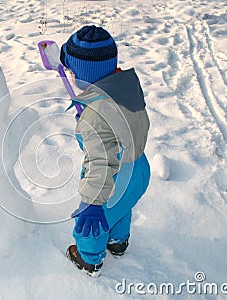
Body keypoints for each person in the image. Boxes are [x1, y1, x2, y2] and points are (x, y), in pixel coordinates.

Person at [61, 25, 151, 277]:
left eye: (71, 70)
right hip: (140, 167)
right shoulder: (126, 88)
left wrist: (92, 201)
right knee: (122, 208)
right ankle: (118, 242)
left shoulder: (94, 116)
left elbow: (101, 163)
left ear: (83, 75)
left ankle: (90, 259)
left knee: (91, 222)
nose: (69, 75)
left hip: (113, 176)